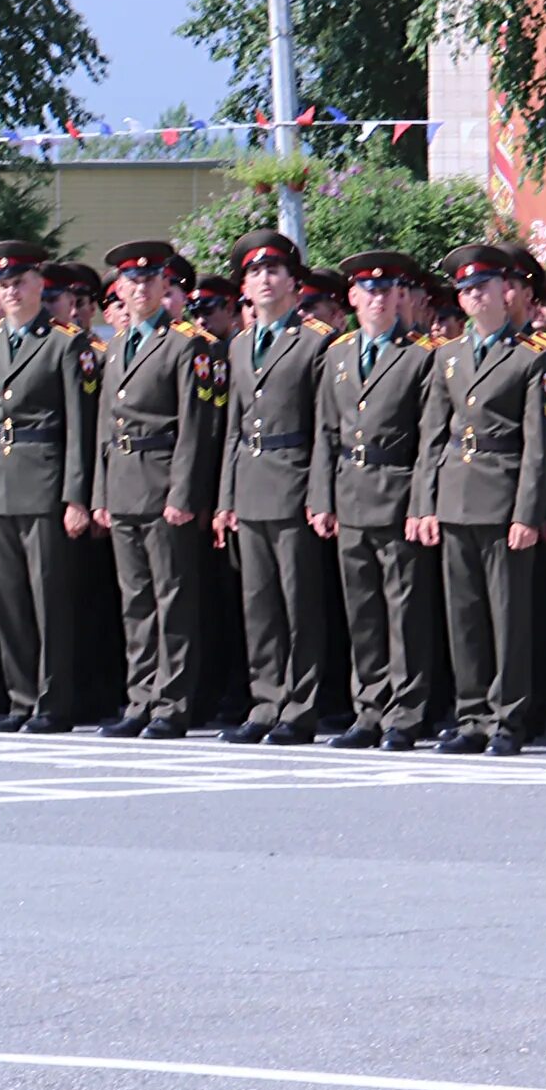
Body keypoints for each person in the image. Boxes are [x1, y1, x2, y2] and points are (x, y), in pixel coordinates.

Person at [411, 244, 546, 755]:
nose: (474, 296)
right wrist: (423, 505)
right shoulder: (448, 356)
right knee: (465, 616)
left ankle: (509, 720)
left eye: (484, 287)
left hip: (502, 496)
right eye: (466, 290)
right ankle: (471, 715)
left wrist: (527, 512)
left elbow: (539, 445)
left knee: (508, 617)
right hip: (455, 495)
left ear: (505, 292)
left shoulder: (530, 357)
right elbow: (432, 434)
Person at [308, 251, 439, 749]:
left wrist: (420, 504)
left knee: (403, 611)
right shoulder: (338, 355)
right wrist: (322, 497)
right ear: (353, 299)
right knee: (362, 611)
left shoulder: (418, 355)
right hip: (350, 490)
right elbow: (325, 431)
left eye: (388, 291)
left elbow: (430, 439)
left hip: (396, 488)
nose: (379, 299)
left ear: (400, 298)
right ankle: (368, 708)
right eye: (369, 291)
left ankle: (405, 713)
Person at [0, 240, 92, 733]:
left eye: (21, 282)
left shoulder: (64, 341)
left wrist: (75, 495)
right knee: (9, 597)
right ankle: (20, 699)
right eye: (3, 284)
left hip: (44, 478)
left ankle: (53, 700)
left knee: (49, 597)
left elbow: (78, 424)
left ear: (40, 284)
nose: (12, 291)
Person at [88, 240, 216, 739]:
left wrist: (183, 494)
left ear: (166, 286)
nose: (139, 289)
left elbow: (194, 426)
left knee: (173, 598)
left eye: (149, 280)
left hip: (162, 481)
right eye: (130, 282)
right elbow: (105, 424)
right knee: (135, 601)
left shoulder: (186, 343)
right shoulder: (118, 343)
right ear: (119, 289)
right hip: (122, 482)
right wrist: (100, 493)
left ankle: (171, 702)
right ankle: (140, 697)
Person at [214, 231, 334, 743]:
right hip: (250, 482)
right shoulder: (239, 345)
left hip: (294, 479)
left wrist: (319, 495)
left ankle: (299, 707)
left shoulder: (315, 342)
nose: (265, 280)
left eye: (275, 271)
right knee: (258, 604)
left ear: (293, 282)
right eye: (255, 273)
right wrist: (225, 500)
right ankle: (265, 702)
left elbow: (327, 428)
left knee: (298, 603)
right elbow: (233, 430)